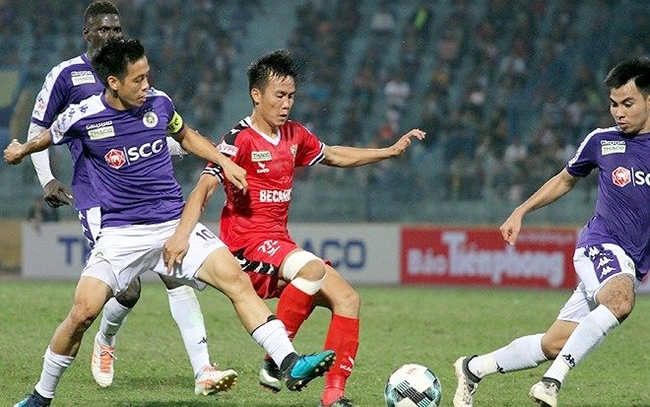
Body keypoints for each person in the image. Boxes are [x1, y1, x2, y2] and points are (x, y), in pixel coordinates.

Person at [5, 37, 335, 407]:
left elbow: (186, 135)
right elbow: (50, 135)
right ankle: (40, 396)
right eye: (138, 80)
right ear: (113, 82)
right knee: (82, 312)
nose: (147, 85)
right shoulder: (83, 115)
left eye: (148, 76)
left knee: (236, 281)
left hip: (172, 221)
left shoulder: (159, 104)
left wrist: (224, 161)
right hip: (121, 233)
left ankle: (288, 363)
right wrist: (22, 149)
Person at [163, 49, 425, 407]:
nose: (286, 104)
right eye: (279, 96)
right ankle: (275, 362)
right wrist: (181, 235)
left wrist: (388, 152)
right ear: (257, 95)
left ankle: (333, 397)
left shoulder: (295, 135)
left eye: (291, 97)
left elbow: (332, 155)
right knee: (313, 268)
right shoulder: (238, 140)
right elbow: (203, 189)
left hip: (279, 246)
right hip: (246, 248)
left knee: (348, 299)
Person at [25, 1, 225, 395]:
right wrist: (47, 178)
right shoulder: (66, 74)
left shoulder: (133, 72)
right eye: (103, 30)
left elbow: (145, 127)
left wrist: (185, 145)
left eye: (116, 30)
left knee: (174, 271)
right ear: (87, 33)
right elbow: (39, 128)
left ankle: (203, 369)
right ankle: (106, 338)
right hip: (99, 198)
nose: (111, 36)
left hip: (148, 195)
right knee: (128, 291)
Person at [452, 56, 649, 407]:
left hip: (631, 261)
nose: (618, 112)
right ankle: (551, 383)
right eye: (614, 104)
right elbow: (564, 180)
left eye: (628, 103)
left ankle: (472, 368)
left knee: (555, 343)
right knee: (620, 301)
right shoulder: (602, 142)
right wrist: (521, 210)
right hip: (599, 245)